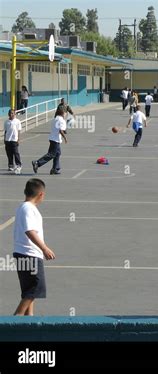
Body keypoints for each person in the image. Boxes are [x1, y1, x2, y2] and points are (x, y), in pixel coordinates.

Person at [13, 179, 56, 315]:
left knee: (29, 292)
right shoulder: (28, 208)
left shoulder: (23, 207)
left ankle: (29, 320)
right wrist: (44, 248)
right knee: (34, 289)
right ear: (41, 194)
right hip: (29, 254)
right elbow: (29, 231)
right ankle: (13, 322)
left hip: (24, 254)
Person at [32, 108, 68, 175]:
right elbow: (61, 130)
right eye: (65, 113)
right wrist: (65, 138)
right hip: (56, 140)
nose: (66, 114)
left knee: (58, 153)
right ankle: (37, 163)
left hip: (52, 138)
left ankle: (55, 169)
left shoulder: (55, 119)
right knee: (51, 154)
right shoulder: (62, 120)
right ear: (63, 113)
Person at [4, 109, 22, 174]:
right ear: (8, 114)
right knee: (9, 154)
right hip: (8, 140)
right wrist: (4, 139)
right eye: (10, 113)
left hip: (14, 140)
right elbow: (6, 131)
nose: (11, 114)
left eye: (12, 113)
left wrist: (18, 139)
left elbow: (19, 131)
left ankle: (18, 165)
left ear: (15, 114)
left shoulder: (17, 121)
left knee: (16, 153)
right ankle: (11, 165)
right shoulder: (6, 122)